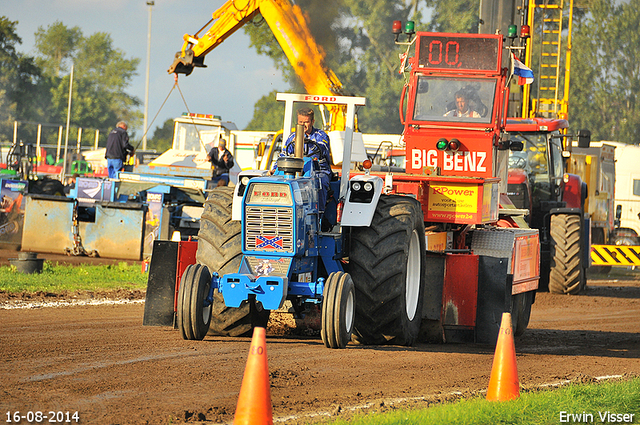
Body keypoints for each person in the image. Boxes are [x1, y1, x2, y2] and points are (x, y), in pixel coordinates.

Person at [271, 107, 332, 211]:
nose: (304, 125)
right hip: (295, 170)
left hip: (319, 170)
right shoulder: (292, 137)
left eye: (306, 122)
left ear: (312, 121)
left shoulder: (321, 136)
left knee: (320, 182)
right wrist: (274, 168)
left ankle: (319, 216)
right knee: (278, 181)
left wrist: (306, 142)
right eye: (301, 122)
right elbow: (284, 154)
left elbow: (322, 148)